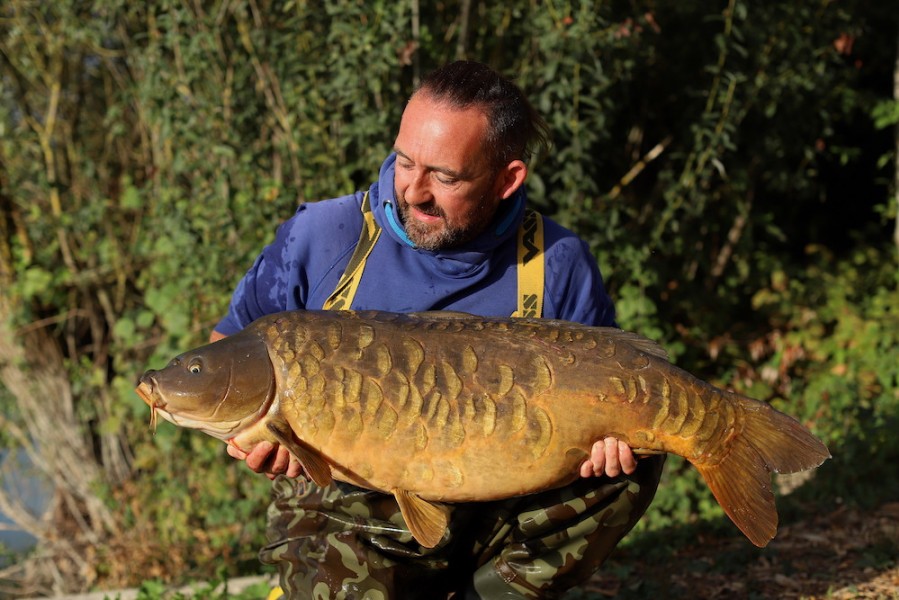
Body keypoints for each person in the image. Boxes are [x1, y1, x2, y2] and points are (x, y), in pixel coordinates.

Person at [211, 60, 665, 599]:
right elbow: (228, 354)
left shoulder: (556, 262)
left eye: (445, 177)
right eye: (405, 163)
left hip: (498, 493)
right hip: (353, 509)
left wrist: (606, 442)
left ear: (507, 179)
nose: (415, 192)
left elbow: (608, 387)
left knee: (639, 450)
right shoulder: (324, 236)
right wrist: (255, 437)